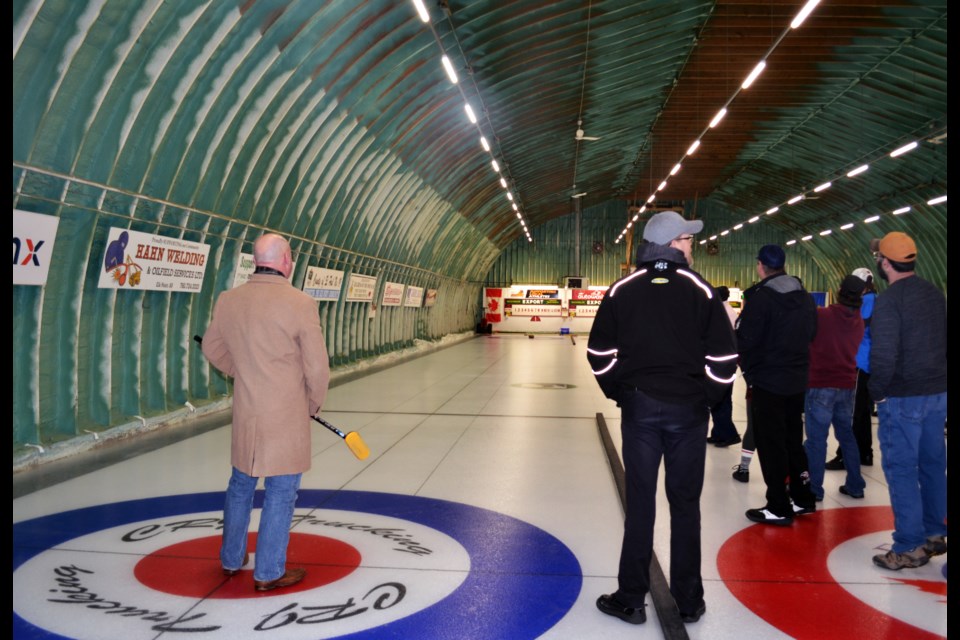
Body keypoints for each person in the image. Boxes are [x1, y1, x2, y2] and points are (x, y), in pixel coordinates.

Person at [587, 211, 737, 625]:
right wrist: (703, 398)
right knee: (685, 505)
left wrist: (622, 392)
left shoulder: (622, 289)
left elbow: (599, 354)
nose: (692, 246)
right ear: (673, 243)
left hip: (640, 411)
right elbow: (725, 359)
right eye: (689, 239)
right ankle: (688, 600)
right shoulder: (700, 290)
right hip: (688, 413)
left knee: (640, 505)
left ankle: (631, 597)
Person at [202, 233, 331, 591]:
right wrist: (312, 402)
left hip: (248, 410)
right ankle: (269, 571)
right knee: (281, 489)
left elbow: (212, 348)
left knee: (240, 484)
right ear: (286, 260)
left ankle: (231, 559)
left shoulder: (229, 300)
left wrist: (242, 371)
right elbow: (317, 367)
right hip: (285, 413)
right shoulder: (300, 303)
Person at [867, 231, 947, 570]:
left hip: (903, 397)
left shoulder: (889, 301)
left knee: (901, 470)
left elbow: (884, 355)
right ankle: (933, 533)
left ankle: (909, 546)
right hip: (937, 393)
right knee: (932, 465)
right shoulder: (934, 294)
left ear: (885, 263)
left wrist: (877, 392)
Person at [736, 244, 818, 525]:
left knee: (771, 445)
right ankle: (803, 497)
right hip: (797, 381)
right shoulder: (805, 297)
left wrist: (750, 372)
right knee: (793, 440)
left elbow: (746, 340)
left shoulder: (761, 298)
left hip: (769, 382)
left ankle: (778, 505)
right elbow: (812, 333)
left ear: (761, 266)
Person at [803, 275, 867, 502]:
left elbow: (807, 340)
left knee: (816, 440)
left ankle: (814, 489)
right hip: (847, 385)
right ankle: (856, 485)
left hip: (820, 384)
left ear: (839, 290)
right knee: (846, 436)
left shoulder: (823, 316)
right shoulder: (858, 322)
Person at [826, 267, 876, 469]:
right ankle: (865, 453)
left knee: (852, 412)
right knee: (862, 411)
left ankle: (846, 456)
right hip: (869, 364)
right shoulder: (877, 299)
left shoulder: (864, 303)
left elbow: (853, 328)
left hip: (858, 362)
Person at [707, 286, 742, 447]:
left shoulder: (722, 313)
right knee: (721, 399)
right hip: (727, 361)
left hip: (723, 363)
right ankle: (718, 433)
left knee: (721, 399)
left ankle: (729, 434)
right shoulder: (729, 311)